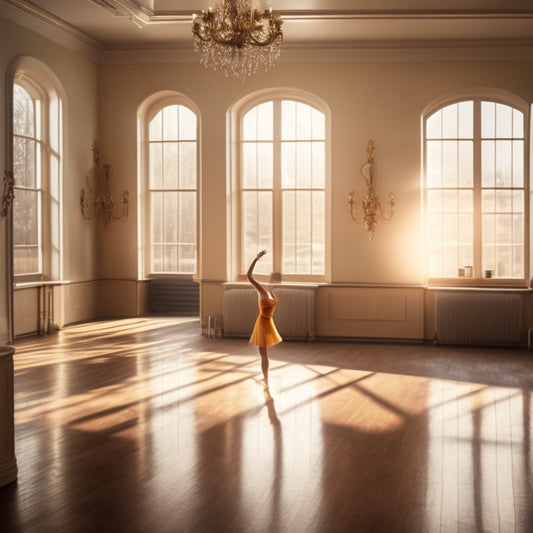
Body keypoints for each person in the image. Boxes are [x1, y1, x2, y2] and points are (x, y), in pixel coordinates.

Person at [247, 250, 282, 388]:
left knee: (264, 355)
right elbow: (250, 277)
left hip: (264, 324)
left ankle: (266, 380)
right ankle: (265, 380)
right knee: (264, 355)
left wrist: (256, 258)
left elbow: (250, 277)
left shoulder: (266, 291)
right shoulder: (270, 293)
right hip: (267, 324)